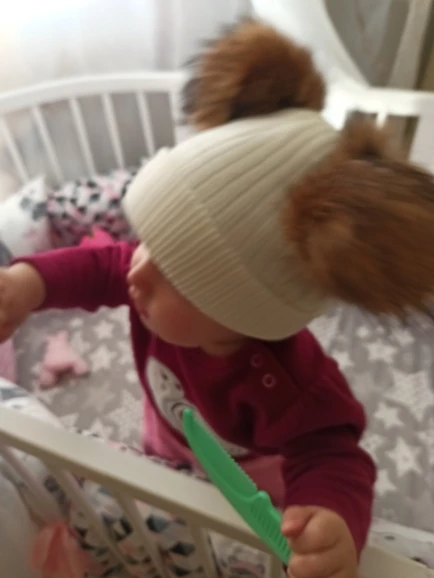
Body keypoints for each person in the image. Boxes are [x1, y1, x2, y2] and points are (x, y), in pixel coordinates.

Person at [3, 21, 434, 578]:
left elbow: (332, 452)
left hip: (252, 484)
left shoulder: (289, 383)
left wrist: (330, 517)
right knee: (160, 463)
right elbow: (101, 265)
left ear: (239, 313)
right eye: (148, 241)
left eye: (175, 272)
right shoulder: (152, 288)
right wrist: (29, 283)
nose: (137, 268)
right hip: (171, 438)